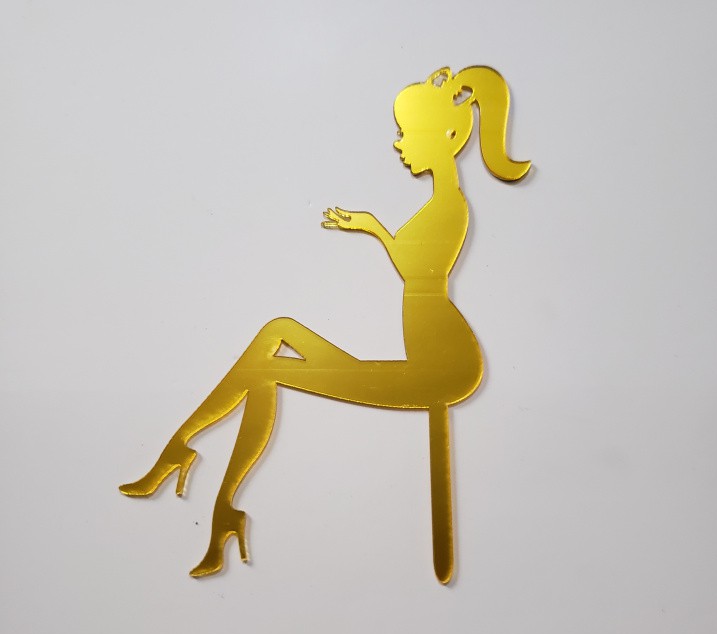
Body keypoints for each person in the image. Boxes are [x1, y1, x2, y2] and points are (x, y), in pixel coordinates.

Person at [120, 66, 530, 583]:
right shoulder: (439, 203)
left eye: (408, 134)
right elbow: (414, 263)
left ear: (448, 136)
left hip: (443, 367)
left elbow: (417, 268)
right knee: (278, 330)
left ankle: (214, 498)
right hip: (423, 360)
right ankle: (186, 463)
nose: (399, 144)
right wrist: (372, 227)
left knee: (267, 371)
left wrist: (375, 227)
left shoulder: (452, 205)